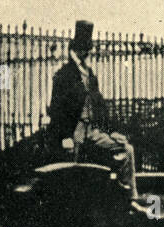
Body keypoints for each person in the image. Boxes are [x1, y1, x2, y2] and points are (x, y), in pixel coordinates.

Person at [46, 20, 139, 199]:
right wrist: (65, 136)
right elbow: (57, 110)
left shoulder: (90, 74)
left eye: (87, 49)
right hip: (74, 130)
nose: (86, 53)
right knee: (72, 167)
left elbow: (101, 108)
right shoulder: (65, 75)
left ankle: (130, 197)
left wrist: (114, 132)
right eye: (82, 49)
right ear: (75, 50)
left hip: (92, 130)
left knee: (126, 149)